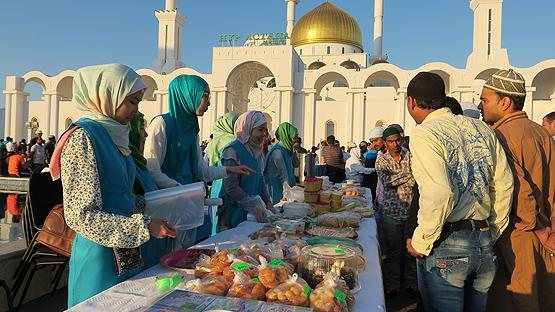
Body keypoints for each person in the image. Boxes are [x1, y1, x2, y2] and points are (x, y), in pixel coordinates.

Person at [50, 64, 177, 307]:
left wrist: (160, 205)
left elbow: (119, 194)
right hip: (100, 258)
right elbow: (81, 216)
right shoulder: (83, 137)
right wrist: (146, 226)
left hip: (125, 251)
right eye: (131, 101)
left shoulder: (113, 135)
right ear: (107, 96)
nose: (135, 110)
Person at [403, 72, 513, 311]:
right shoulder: (481, 129)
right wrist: (492, 230)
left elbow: (440, 193)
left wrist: (421, 241)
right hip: (483, 239)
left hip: (449, 244)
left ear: (411, 101)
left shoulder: (426, 132)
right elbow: (504, 184)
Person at [478, 69, 555, 311]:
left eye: (485, 99)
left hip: (520, 232)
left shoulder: (498, 136)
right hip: (545, 233)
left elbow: (519, 188)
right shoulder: (541, 132)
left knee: (523, 296)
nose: (481, 105)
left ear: (505, 102)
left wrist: (539, 228)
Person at [144, 75, 252, 247]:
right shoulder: (161, 124)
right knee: (165, 258)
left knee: (185, 254)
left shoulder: (192, 130)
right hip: (167, 207)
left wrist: (231, 170)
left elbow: (201, 171)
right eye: (205, 96)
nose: (209, 102)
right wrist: (181, 191)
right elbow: (152, 169)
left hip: (186, 205)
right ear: (188, 95)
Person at [375, 127, 417, 296]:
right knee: (393, 251)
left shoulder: (411, 155)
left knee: (411, 250)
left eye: (397, 140)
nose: (395, 144)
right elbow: (387, 182)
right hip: (391, 212)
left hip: (411, 210)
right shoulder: (381, 161)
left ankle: (411, 281)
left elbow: (417, 179)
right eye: (391, 142)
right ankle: (393, 283)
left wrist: (400, 177)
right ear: (385, 143)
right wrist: (407, 175)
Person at [218, 111, 273, 230]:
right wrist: (251, 203)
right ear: (247, 129)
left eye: (265, 130)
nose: (264, 134)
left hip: (253, 214)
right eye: (260, 130)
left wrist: (267, 201)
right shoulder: (232, 150)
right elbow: (230, 186)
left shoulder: (257, 152)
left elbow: (260, 178)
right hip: (235, 212)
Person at [128, 113, 167, 268]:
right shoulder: (127, 164)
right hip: (140, 241)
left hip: (153, 236)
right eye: (141, 128)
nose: (145, 134)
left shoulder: (141, 164)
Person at [205, 112, 239, 236]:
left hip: (217, 185)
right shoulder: (235, 142)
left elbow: (206, 166)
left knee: (216, 220)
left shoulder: (213, 143)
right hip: (232, 184)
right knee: (229, 222)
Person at [264, 122, 298, 205]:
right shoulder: (277, 152)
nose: (295, 140)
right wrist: (286, 193)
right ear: (287, 136)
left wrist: (293, 152)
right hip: (277, 188)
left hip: (286, 187)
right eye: (294, 137)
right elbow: (283, 174)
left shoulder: (287, 150)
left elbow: (296, 164)